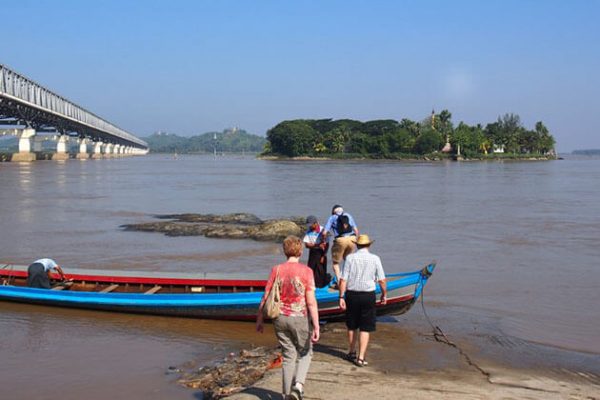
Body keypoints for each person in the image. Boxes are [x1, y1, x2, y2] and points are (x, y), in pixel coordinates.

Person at [256, 236, 320, 400]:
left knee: (288, 355)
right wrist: (317, 326)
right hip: (299, 317)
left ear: (285, 251)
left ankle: (285, 395)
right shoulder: (306, 271)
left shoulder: (276, 269)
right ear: (300, 251)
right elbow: (311, 302)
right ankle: (298, 387)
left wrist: (260, 319)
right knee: (306, 351)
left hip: (279, 317)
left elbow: (266, 296)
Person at [338, 234, 386, 367]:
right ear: (369, 245)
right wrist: (384, 294)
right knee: (365, 327)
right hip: (368, 295)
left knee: (352, 325)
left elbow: (343, 279)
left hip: (352, 294)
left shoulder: (349, 258)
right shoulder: (375, 258)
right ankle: (360, 357)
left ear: (356, 245)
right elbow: (382, 280)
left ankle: (352, 352)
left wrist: (341, 297)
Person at [322, 205, 358, 284]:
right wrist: (356, 241)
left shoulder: (332, 217)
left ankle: (340, 282)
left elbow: (325, 232)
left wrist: (323, 240)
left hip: (340, 240)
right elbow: (356, 230)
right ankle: (352, 280)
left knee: (336, 263)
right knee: (348, 260)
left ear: (333, 211)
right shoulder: (348, 215)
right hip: (352, 239)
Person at [302, 215, 330, 288]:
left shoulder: (323, 230)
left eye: (311, 225)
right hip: (313, 252)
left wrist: (324, 256)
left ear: (316, 223)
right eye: (309, 225)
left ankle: (320, 286)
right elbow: (307, 244)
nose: (310, 227)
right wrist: (316, 245)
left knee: (320, 271)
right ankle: (311, 286)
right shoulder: (308, 231)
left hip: (321, 253)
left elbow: (327, 244)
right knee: (310, 270)